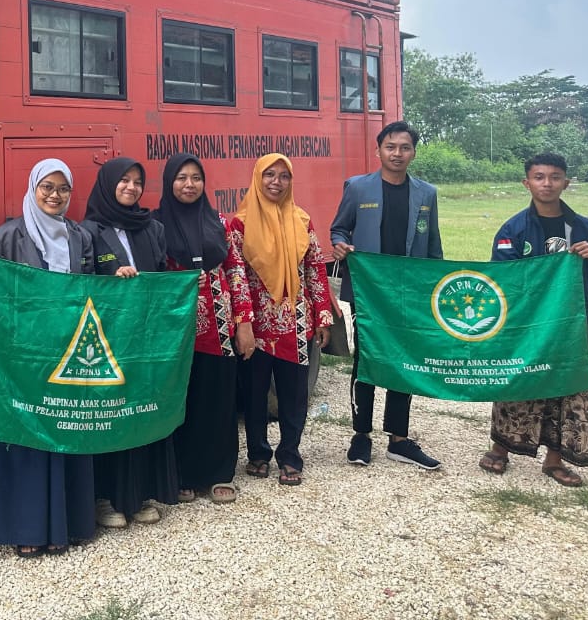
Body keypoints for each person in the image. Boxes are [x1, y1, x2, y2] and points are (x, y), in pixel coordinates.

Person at [0, 158, 97, 556]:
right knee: (28, 437)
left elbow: (92, 290)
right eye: (47, 187)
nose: (55, 195)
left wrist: (119, 280)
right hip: (26, 355)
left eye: (63, 188)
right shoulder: (7, 236)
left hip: (68, 351)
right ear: (33, 188)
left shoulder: (79, 237)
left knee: (66, 429)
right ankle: (28, 527)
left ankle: (70, 523)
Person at [480, 152, 588, 486]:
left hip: (571, 324)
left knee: (568, 390)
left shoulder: (583, 228)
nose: (547, 183)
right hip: (527, 326)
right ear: (527, 183)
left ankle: (556, 460)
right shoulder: (514, 228)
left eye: (555, 177)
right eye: (539, 177)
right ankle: (500, 448)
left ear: (565, 183)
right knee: (518, 383)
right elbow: (502, 278)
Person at [330, 120, 444, 471]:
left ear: (413, 152)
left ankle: (399, 438)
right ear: (378, 150)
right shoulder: (358, 188)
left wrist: (433, 285)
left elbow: (434, 242)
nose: (397, 153)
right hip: (369, 292)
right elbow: (339, 227)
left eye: (405, 147)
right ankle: (360, 436)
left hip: (409, 292)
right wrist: (338, 245)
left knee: (403, 361)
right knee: (367, 360)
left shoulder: (426, 193)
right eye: (391, 147)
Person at [81, 156, 179, 526]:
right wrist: (110, 280)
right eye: (123, 180)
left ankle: (138, 495)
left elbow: (160, 275)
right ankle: (105, 498)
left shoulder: (152, 227)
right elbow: (82, 281)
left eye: (138, 182)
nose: (131, 188)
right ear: (107, 184)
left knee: (142, 411)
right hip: (107, 341)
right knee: (109, 415)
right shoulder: (87, 231)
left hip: (146, 338)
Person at [153, 153, 254, 505]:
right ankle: (180, 473)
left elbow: (236, 272)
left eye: (196, 178)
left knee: (219, 399)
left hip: (219, 328)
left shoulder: (219, 223)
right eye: (181, 178)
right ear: (169, 182)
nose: (189, 185)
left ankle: (218, 472)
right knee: (182, 400)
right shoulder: (156, 226)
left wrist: (244, 323)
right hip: (176, 331)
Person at [230, 153, 332, 487]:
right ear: (257, 179)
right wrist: (242, 321)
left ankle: (290, 454)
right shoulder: (239, 224)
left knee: (294, 394)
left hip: (295, 323)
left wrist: (323, 317)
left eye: (284, 176)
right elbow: (237, 276)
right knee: (254, 393)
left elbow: (315, 269)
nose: (276, 182)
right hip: (256, 326)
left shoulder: (301, 221)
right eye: (269, 175)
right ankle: (258, 453)